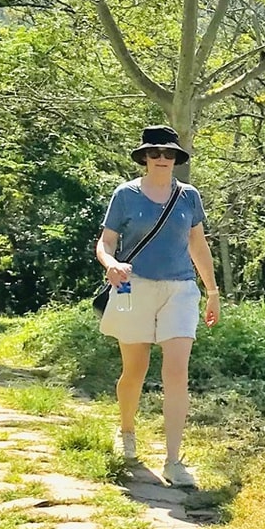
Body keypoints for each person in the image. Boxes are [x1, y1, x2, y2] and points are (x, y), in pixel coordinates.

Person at [95, 124, 222, 487]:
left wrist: (212, 291)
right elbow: (104, 243)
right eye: (155, 153)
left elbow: (198, 246)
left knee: (176, 372)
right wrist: (111, 264)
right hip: (132, 289)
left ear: (177, 159)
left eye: (168, 154)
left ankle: (173, 460)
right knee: (135, 370)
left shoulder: (189, 197)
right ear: (144, 158)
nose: (162, 159)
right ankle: (127, 431)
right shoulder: (125, 195)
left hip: (180, 289)